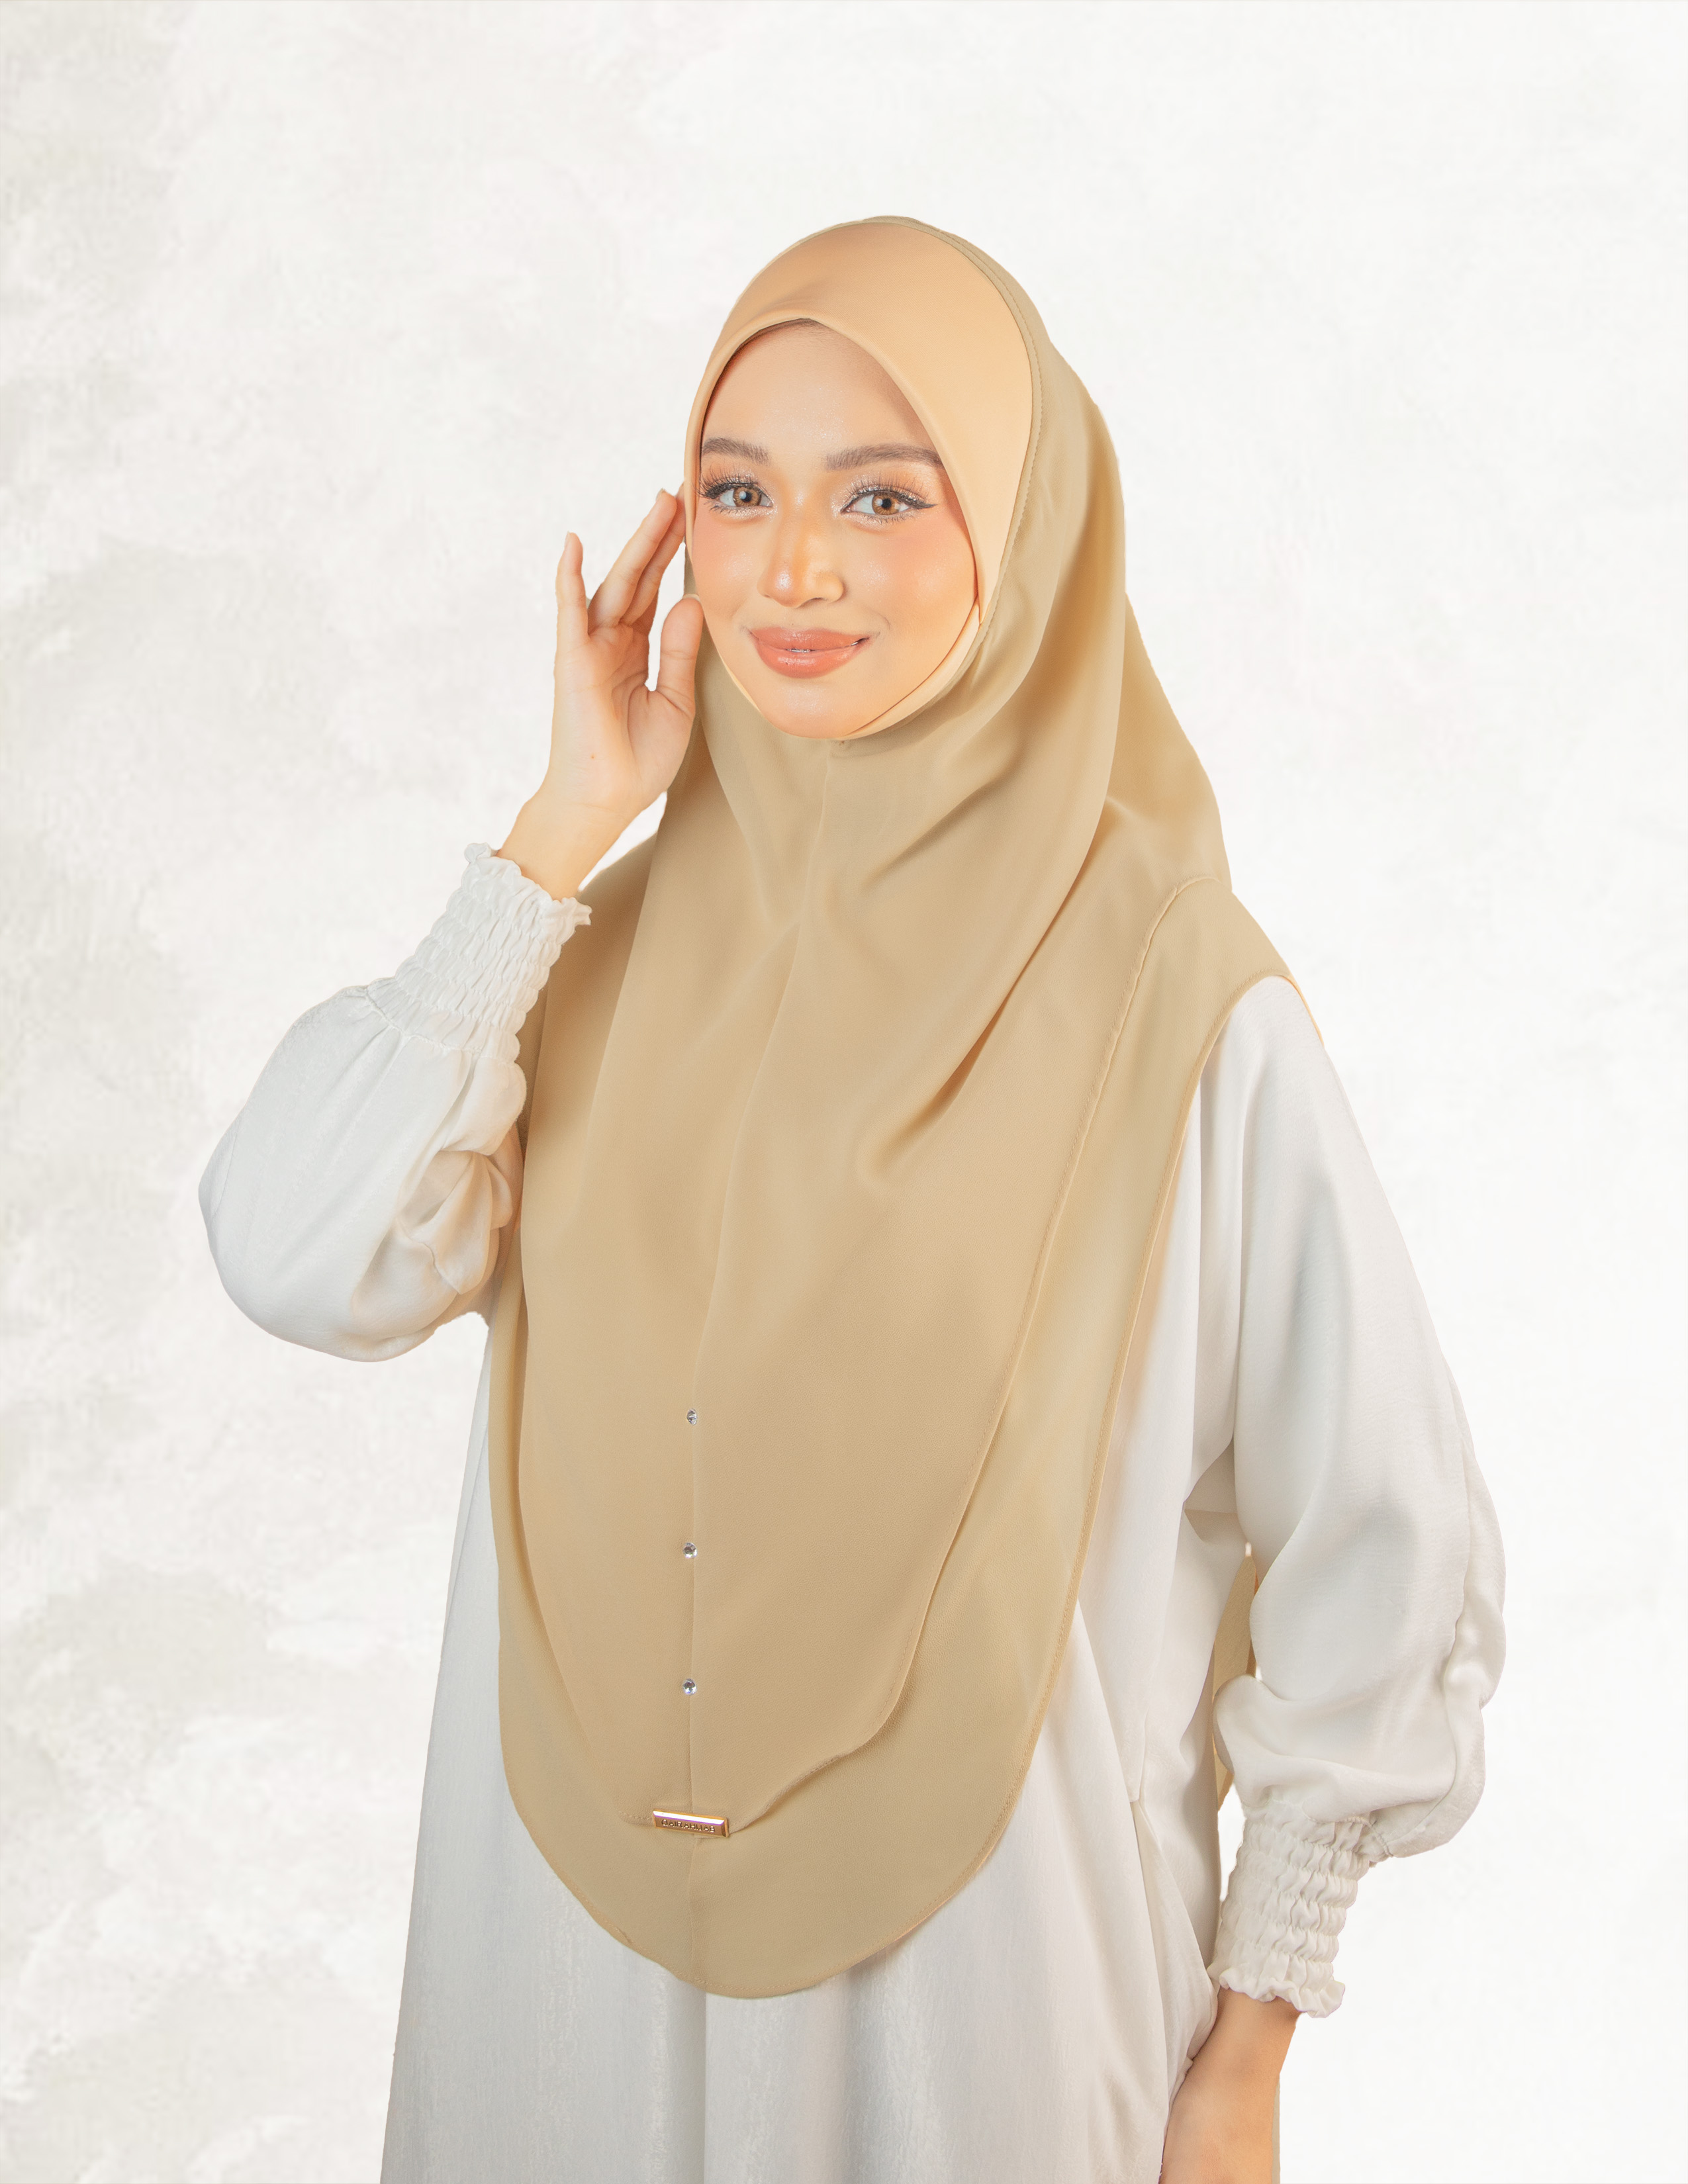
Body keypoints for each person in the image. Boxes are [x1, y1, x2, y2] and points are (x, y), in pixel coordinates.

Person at [201, 219, 1503, 2184]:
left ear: (1024, 534)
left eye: (883, 496)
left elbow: (1382, 1535)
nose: (793, 566)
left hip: (980, 2025)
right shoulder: (571, 962)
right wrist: (562, 824)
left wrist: (1248, 2054)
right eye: (738, 494)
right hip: (553, 1994)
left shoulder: (1173, 996)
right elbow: (297, 1255)